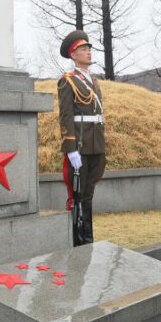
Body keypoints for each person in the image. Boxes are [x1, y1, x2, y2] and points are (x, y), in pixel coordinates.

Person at [58, 30, 106, 246]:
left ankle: (89, 239)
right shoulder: (67, 81)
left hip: (96, 143)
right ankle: (79, 241)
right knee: (79, 195)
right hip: (80, 144)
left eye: (88, 48)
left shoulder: (93, 80)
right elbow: (66, 116)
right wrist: (70, 148)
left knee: (89, 193)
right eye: (83, 49)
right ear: (73, 54)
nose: (88, 52)